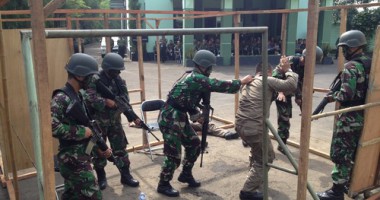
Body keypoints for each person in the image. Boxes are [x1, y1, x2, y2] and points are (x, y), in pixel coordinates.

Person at [156, 50, 253, 197]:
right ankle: (163, 184)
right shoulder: (196, 78)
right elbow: (218, 84)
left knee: (194, 144)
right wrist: (241, 82)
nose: (211, 70)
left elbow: (185, 100)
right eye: (210, 67)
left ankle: (186, 174)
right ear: (204, 66)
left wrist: (195, 114)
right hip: (170, 118)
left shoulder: (192, 76)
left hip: (179, 116)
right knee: (173, 154)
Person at [316, 30, 371, 200]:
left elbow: (346, 94)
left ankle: (336, 191)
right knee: (353, 152)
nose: (343, 52)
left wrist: (332, 97)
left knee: (341, 153)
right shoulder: (369, 63)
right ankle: (349, 183)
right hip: (363, 114)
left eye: (344, 48)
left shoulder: (351, 67)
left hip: (349, 116)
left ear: (352, 47)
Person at [51, 53, 112, 199]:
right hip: (71, 157)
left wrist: (99, 149)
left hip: (82, 153)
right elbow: (52, 127)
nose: (93, 79)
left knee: (72, 194)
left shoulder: (79, 95)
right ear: (79, 75)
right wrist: (81, 131)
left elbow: (89, 129)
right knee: (93, 195)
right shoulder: (61, 98)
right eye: (90, 76)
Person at [236, 61, 298, 200]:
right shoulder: (267, 80)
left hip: (240, 125)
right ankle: (248, 191)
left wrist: (279, 69)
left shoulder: (250, 81)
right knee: (267, 156)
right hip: (254, 127)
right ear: (269, 72)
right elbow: (291, 85)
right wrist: (288, 70)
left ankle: (255, 176)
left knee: (257, 150)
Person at [83, 53, 140, 190]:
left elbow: (124, 99)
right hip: (97, 123)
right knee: (99, 151)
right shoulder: (94, 80)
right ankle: (102, 177)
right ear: (108, 68)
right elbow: (88, 98)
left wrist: (130, 114)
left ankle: (125, 175)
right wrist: (105, 102)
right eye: (116, 70)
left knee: (120, 148)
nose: (119, 72)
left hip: (115, 121)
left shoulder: (119, 81)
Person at [273, 46, 323, 154]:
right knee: (283, 119)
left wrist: (299, 97)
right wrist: (280, 91)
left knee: (286, 118)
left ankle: (282, 144)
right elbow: (276, 75)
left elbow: (299, 82)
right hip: (278, 90)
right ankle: (280, 145)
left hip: (288, 91)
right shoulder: (290, 61)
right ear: (305, 58)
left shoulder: (306, 68)